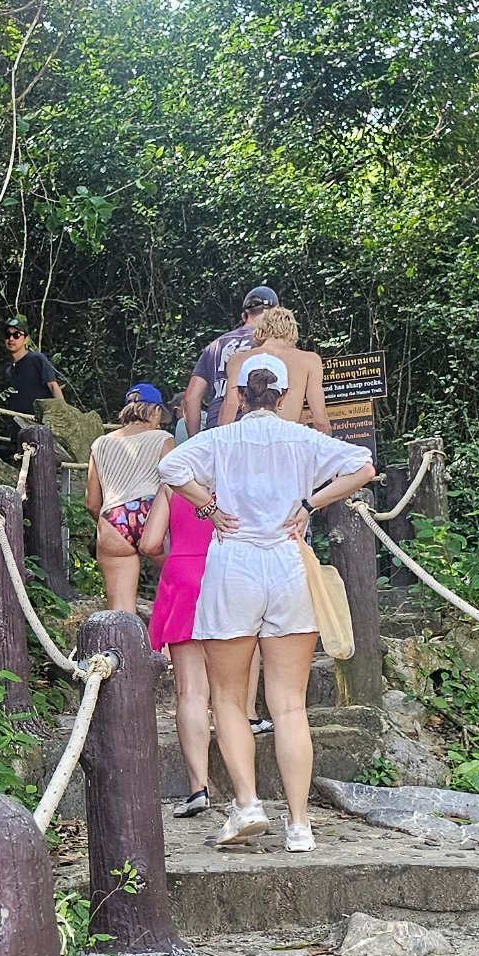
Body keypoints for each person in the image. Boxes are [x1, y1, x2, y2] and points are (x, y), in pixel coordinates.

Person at [156, 353, 377, 851]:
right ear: (283, 396)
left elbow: (170, 467)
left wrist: (208, 507)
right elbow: (363, 466)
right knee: (290, 705)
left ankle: (248, 804)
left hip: (233, 567)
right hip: (287, 565)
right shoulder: (302, 438)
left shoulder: (220, 439)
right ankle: (299, 825)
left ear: (239, 394)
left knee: (229, 699)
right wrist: (309, 504)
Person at [138, 479, 218, 816]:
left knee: (191, 692)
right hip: (228, 574)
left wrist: (176, 559)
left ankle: (199, 787)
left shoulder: (174, 484)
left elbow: (150, 543)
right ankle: (246, 794)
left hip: (183, 574)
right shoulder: (235, 475)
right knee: (229, 694)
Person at [86, 385, 173, 611]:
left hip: (113, 518)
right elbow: (174, 485)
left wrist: (108, 525)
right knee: (178, 586)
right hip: (150, 514)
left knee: (121, 610)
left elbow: (92, 502)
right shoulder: (163, 438)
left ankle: (125, 635)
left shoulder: (100, 443)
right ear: (155, 411)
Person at [180, 284, 277, 436]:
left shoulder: (214, 347)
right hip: (256, 430)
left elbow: (191, 398)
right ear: (275, 316)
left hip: (216, 431)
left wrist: (195, 438)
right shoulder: (270, 345)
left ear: (244, 316)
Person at [229, 305, 330, 432]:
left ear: (259, 329)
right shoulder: (309, 360)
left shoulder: (238, 359)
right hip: (288, 437)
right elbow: (320, 421)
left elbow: (230, 406)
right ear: (292, 330)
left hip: (248, 434)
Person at [3, 322, 64, 415]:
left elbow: (53, 385)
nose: (11, 339)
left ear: (26, 339)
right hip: (21, 420)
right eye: (8, 335)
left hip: (44, 418)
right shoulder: (9, 371)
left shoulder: (37, 359)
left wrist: (63, 412)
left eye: (16, 335)